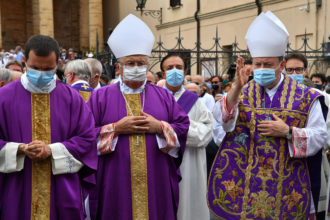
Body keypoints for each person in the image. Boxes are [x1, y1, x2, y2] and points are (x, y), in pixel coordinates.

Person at [208, 11, 327, 219]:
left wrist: (289, 132)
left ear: (281, 65)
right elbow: (221, 124)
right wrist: (236, 86)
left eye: (268, 65)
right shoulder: (243, 90)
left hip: (290, 185)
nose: (261, 69)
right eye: (258, 64)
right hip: (247, 185)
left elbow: (320, 136)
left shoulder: (307, 96)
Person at [87, 14, 190, 220]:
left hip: (156, 180)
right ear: (118, 67)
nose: (136, 68)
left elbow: (183, 126)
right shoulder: (100, 97)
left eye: (141, 63)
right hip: (114, 182)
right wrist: (115, 128)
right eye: (130, 63)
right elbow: (84, 136)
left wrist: (159, 127)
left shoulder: (163, 96)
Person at [0, 35, 97, 219]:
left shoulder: (72, 98)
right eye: (35, 68)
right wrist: (19, 149)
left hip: (61, 189)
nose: (41, 73)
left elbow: (87, 139)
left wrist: (51, 151)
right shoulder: (3, 98)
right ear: (24, 61)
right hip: (17, 189)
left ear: (58, 64)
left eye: (48, 69)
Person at [161, 53, 213, 220]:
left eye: (179, 68)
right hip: (160, 162)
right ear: (163, 74)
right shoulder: (154, 98)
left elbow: (206, 133)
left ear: (185, 72)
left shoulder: (195, 101)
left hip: (189, 163)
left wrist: (173, 130)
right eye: (170, 68)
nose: (175, 71)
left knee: (188, 208)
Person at [285, 53, 329, 219]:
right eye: (290, 70)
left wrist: (289, 133)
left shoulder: (316, 96)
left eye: (298, 69)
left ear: (305, 71)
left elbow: (322, 133)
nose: (294, 73)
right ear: (283, 70)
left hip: (308, 160)